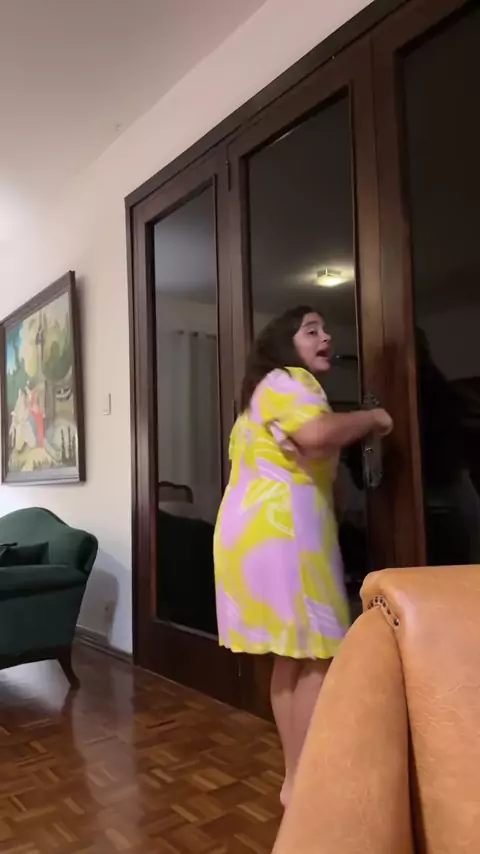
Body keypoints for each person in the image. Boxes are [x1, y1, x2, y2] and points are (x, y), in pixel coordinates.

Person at [213, 306, 393, 806]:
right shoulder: (290, 379)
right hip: (285, 534)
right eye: (311, 330)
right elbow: (316, 436)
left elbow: (311, 454)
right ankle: (308, 782)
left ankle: (296, 781)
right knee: (320, 651)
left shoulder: (258, 396)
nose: (326, 337)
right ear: (283, 344)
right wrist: (375, 418)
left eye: (324, 329)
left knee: (292, 656)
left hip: (247, 537)